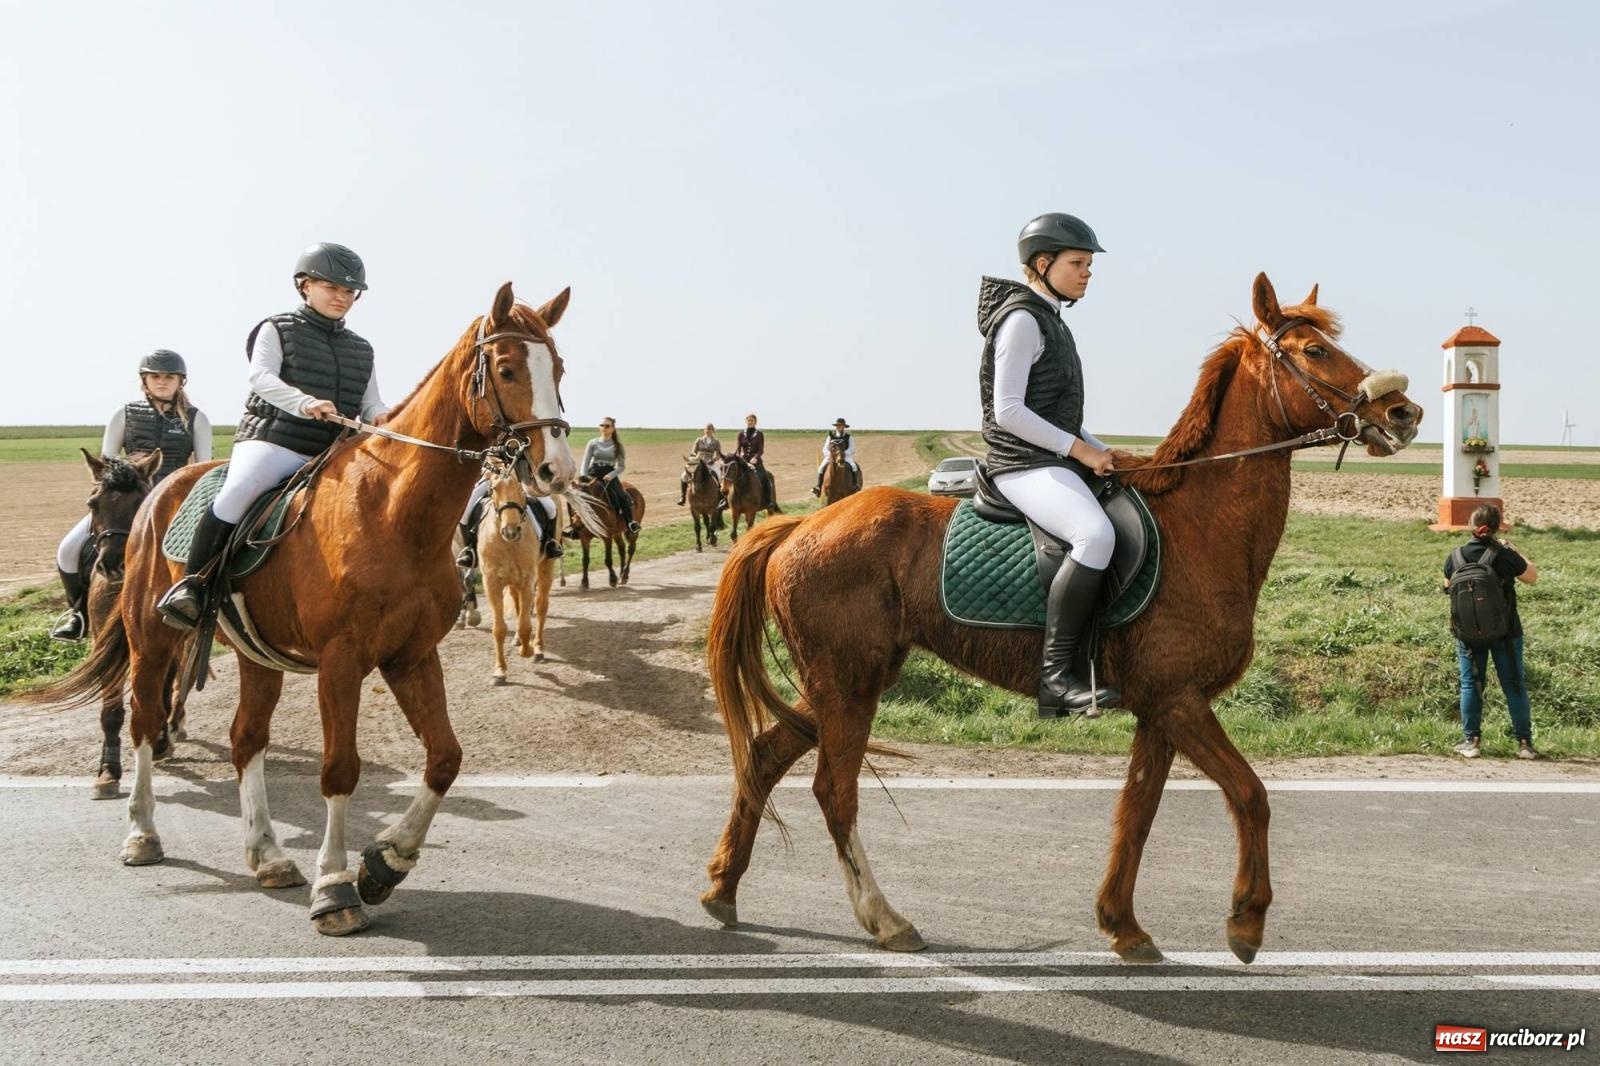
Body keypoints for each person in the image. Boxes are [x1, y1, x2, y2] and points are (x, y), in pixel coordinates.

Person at [156, 242, 388, 631]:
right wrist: (304, 403)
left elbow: (372, 403)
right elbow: (261, 378)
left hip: (330, 450)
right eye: (333, 287)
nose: (342, 297)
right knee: (241, 488)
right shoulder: (276, 328)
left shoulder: (361, 349)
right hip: (274, 441)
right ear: (304, 285)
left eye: (350, 291)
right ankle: (191, 585)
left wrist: (384, 418)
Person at [979, 213, 1120, 717]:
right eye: (1078, 263)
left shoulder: (1051, 318)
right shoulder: (1021, 319)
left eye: (1088, 265)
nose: (1087, 273)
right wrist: (1079, 451)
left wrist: (1104, 450)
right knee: (1095, 536)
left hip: (1049, 456)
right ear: (1044, 264)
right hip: (1020, 464)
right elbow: (1008, 411)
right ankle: (1057, 680)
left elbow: (1059, 413)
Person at [50, 350, 212, 640]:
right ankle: (78, 614)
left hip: (174, 501)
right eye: (155, 377)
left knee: (212, 548)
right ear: (144, 381)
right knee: (68, 549)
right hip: (126, 500)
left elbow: (202, 464)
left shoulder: (196, 419)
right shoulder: (124, 413)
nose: (162, 382)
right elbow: (108, 459)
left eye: (169, 377)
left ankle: (211, 613)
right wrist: (134, 475)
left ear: (180, 382)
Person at [1444, 503, 1540, 759]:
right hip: (1506, 632)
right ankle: (1524, 744)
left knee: (1470, 685)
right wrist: (1515, 550)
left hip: (1468, 633)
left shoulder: (1455, 556)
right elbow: (1532, 577)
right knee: (1514, 686)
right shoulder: (1504, 554)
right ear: (1498, 526)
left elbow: (1446, 587)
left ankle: (1471, 742)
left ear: (1471, 526)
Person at [455, 472, 564, 570]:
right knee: (465, 511)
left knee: (550, 507)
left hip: (522, 480)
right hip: (492, 481)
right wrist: (485, 471)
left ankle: (550, 544)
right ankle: (469, 550)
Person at [578, 417, 639, 534]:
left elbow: (621, 466)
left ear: (613, 428)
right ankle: (574, 526)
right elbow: (585, 462)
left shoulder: (618, 445)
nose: (604, 428)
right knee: (578, 494)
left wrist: (611, 475)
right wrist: (583, 477)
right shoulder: (593, 443)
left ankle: (630, 523)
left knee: (622, 496)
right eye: (601, 425)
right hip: (593, 472)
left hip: (609, 473)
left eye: (607, 426)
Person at [724, 412, 778, 512]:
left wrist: (755, 458)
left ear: (755, 422)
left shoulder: (759, 434)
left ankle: (769, 501)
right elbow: (738, 449)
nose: (750, 422)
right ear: (746, 422)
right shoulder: (741, 434)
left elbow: (761, 450)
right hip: (743, 461)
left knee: (765, 478)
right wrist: (739, 457)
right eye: (748, 421)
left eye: (752, 421)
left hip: (756, 461)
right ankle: (725, 501)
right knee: (730, 477)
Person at [679, 423, 726, 506]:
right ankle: (683, 497)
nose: (708, 431)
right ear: (704, 430)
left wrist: (714, 459)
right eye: (706, 429)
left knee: (718, 474)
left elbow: (718, 454)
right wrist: (695, 457)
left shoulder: (716, 442)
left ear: (713, 431)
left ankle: (721, 497)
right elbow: (693, 451)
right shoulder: (699, 440)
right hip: (698, 462)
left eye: (710, 429)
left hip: (709, 462)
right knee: (683, 476)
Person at [811, 418, 859, 496]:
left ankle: (855, 485)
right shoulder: (831, 436)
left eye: (841, 425)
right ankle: (818, 487)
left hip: (844, 456)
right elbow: (825, 448)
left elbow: (852, 448)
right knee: (821, 468)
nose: (839, 427)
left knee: (854, 466)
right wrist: (830, 454)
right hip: (831, 456)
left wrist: (843, 453)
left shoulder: (848, 437)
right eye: (837, 425)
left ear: (844, 427)